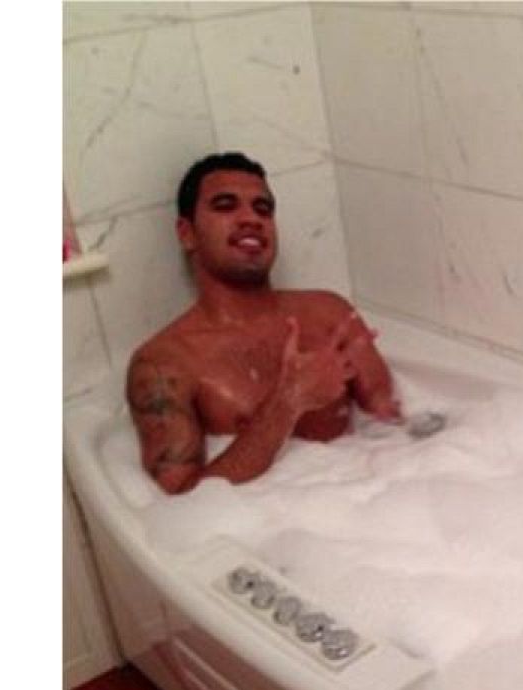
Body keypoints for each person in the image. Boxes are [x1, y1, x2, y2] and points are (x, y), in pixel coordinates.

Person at [126, 152, 402, 495]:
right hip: (260, 521)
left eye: (262, 209)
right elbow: (185, 500)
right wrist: (289, 400)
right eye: (225, 206)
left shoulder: (329, 314)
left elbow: (392, 427)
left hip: (367, 498)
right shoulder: (164, 365)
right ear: (187, 233)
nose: (251, 219)